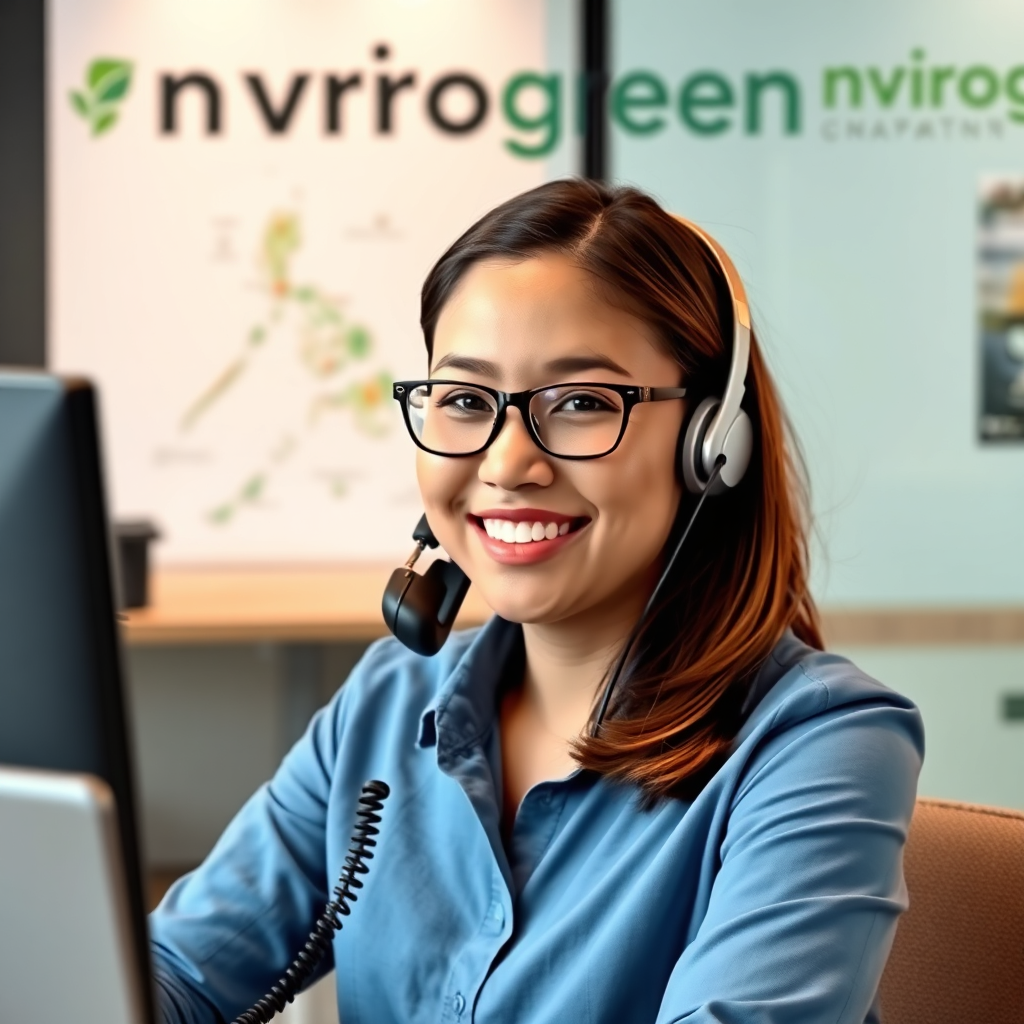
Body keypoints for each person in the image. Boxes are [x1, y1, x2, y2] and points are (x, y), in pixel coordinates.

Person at [150, 179, 924, 1024]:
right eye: (465, 400)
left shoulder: (818, 744)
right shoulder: (387, 704)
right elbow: (176, 971)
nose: (509, 462)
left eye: (583, 403)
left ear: (712, 444)